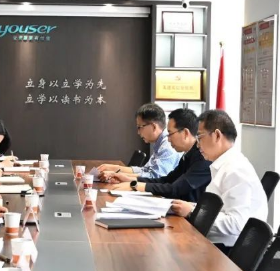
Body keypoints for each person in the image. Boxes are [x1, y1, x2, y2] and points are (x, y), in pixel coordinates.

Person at [170, 110, 267, 249]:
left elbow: (236, 223)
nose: (197, 145)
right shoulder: (223, 165)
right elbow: (218, 209)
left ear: (216, 135)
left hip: (227, 249)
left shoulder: (236, 170)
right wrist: (192, 207)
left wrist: (192, 211)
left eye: (200, 137)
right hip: (213, 239)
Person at [107, 108, 211, 202]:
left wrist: (135, 186)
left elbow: (175, 189)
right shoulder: (188, 155)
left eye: (170, 134)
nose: (168, 139)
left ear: (185, 133)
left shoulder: (202, 158)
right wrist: (132, 180)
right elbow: (166, 180)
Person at [98, 103, 181, 179]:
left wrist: (118, 175)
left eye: (139, 127)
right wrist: (115, 168)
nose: (138, 132)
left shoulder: (167, 145)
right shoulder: (159, 143)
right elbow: (145, 170)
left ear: (153, 127)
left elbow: (155, 177)